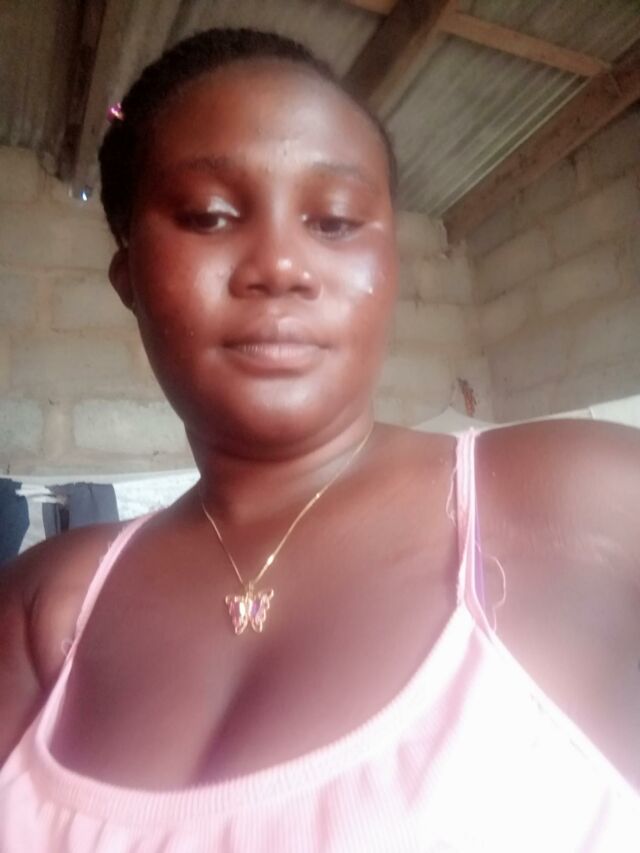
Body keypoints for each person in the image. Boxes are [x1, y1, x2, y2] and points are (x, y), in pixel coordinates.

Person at [0, 27, 638, 852]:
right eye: (208, 215)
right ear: (129, 279)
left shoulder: (583, 503)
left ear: (391, 268)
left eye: (334, 222)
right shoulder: (48, 603)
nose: (281, 266)